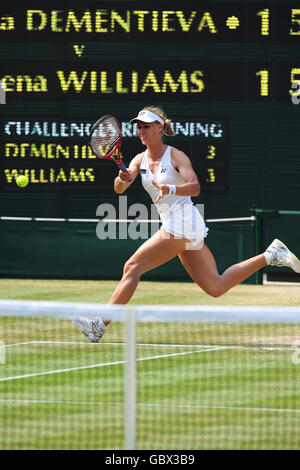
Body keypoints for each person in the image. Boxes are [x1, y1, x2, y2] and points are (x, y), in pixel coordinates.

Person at [73, 106, 300, 342]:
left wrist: (170, 188)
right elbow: (119, 189)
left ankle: (98, 326)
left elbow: (195, 186)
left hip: (181, 221)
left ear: (160, 128)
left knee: (132, 267)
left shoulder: (176, 156)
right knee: (216, 286)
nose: (142, 131)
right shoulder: (138, 159)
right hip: (182, 225)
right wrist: (121, 179)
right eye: (139, 127)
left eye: (147, 126)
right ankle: (271, 255)